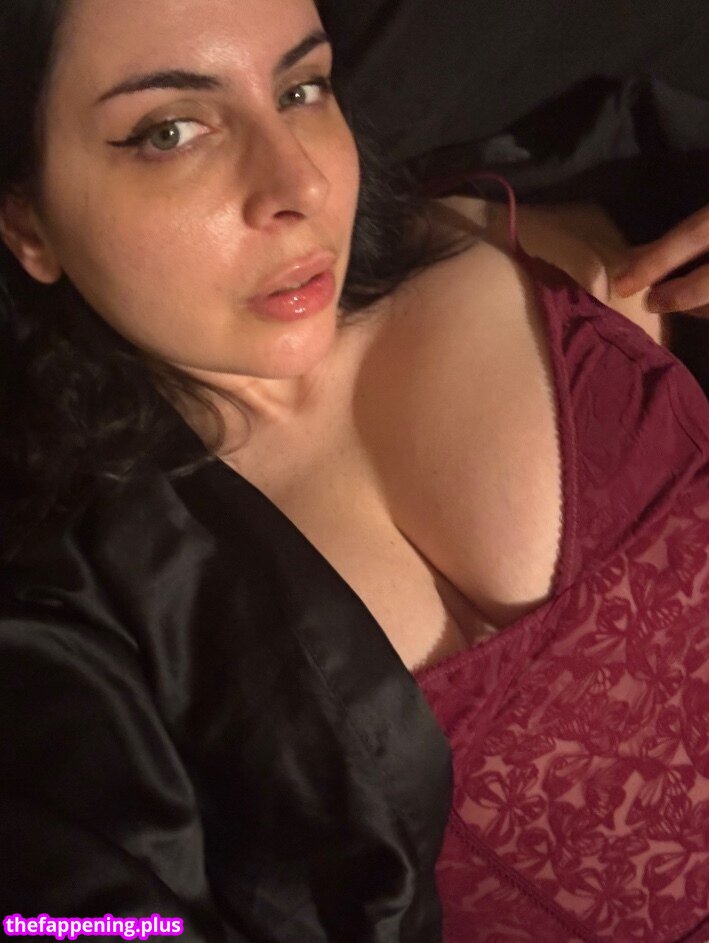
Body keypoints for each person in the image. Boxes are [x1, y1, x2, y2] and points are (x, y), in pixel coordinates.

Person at [0, 1, 707, 942]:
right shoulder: (72, 620)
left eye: (301, 89)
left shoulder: (538, 230)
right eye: (171, 131)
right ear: (29, 225)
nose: (297, 181)